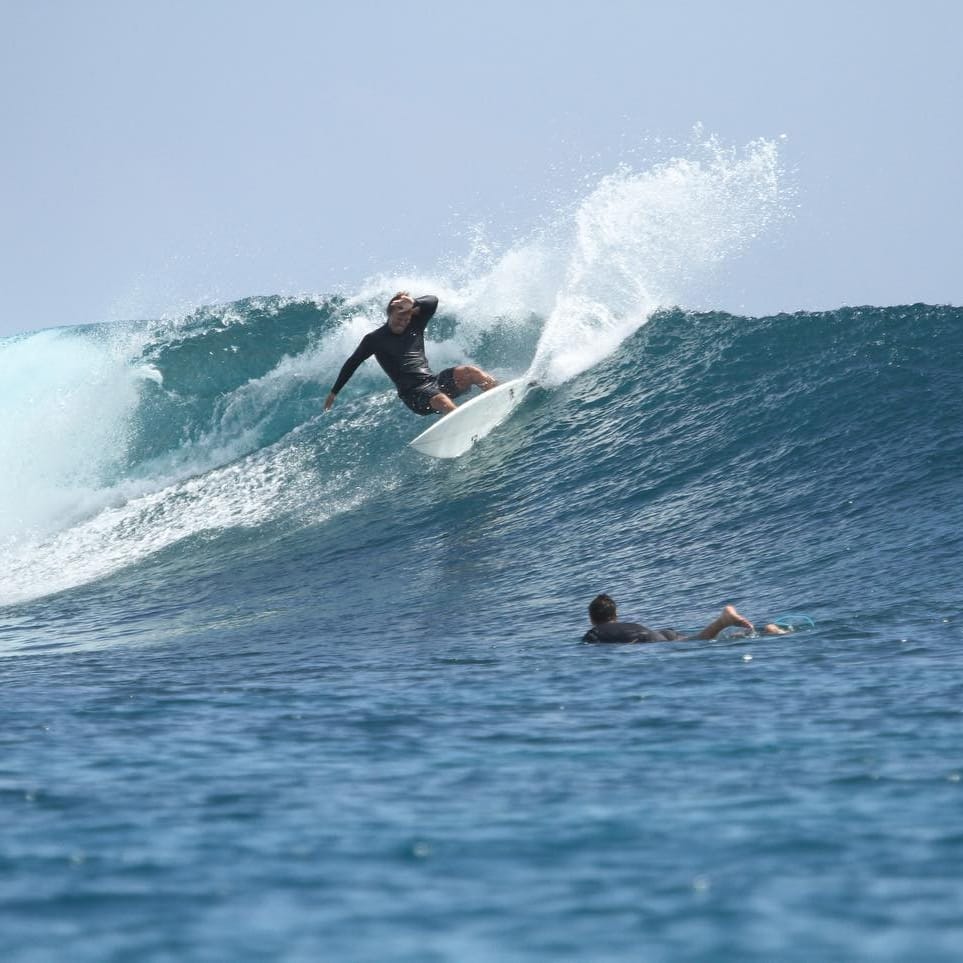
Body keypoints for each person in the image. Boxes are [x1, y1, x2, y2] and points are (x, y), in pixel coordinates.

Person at [324, 291, 497, 416]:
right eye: (399, 318)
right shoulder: (374, 339)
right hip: (413, 393)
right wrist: (334, 392)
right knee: (441, 400)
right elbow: (352, 363)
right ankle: (464, 425)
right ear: (389, 314)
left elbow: (433, 301)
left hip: (433, 381)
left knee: (470, 371)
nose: (403, 323)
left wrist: (413, 302)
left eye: (406, 319)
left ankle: (499, 395)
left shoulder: (415, 324)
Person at [582, 593, 791, 643]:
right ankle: (766, 631)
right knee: (698, 639)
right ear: (616, 615)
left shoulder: (594, 634)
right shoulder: (624, 624)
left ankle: (723, 621)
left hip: (648, 640)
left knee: (701, 641)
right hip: (660, 632)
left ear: (592, 619)